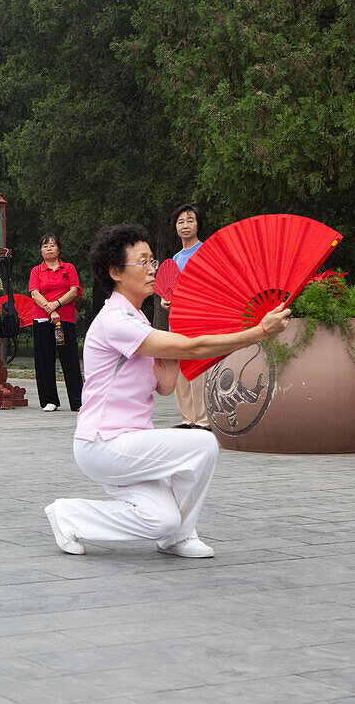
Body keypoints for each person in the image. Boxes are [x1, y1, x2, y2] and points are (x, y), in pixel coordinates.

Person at [44, 224, 290, 558]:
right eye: (142, 262)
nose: (152, 269)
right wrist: (258, 332)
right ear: (115, 272)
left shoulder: (139, 321)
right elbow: (196, 348)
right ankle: (182, 536)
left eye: (152, 261)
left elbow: (164, 386)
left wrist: (175, 347)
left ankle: (71, 515)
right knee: (202, 443)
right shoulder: (115, 320)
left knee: (161, 520)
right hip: (105, 442)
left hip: (130, 442)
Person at [159, 204, 211, 430]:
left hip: (198, 318)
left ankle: (203, 419)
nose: (185, 225)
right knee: (180, 370)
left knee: (198, 368)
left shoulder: (206, 252)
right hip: (176, 320)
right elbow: (168, 290)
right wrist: (164, 301)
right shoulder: (175, 258)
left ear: (198, 224)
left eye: (190, 220)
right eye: (180, 222)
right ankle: (187, 418)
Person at [28, 234, 84, 412]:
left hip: (65, 318)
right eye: (45, 246)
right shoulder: (37, 270)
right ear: (40, 251)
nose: (49, 249)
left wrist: (57, 304)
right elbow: (34, 293)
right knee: (44, 359)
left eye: (52, 245)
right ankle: (49, 400)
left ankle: (77, 401)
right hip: (43, 318)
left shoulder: (68, 268)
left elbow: (74, 290)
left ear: (58, 248)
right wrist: (50, 310)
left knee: (70, 359)